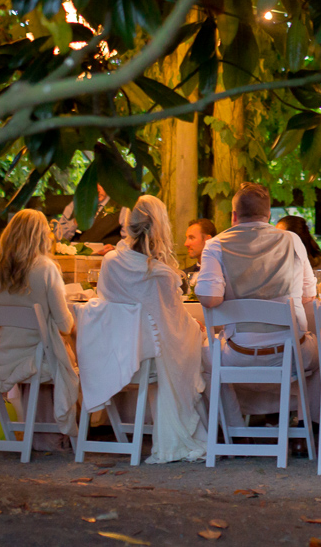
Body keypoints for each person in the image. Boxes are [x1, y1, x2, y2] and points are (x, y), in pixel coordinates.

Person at [96, 196, 207, 462]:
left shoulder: (109, 263)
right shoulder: (161, 274)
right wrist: (197, 328)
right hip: (148, 361)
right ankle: (223, 429)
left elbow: (105, 306)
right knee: (198, 345)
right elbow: (173, 327)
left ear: (129, 226)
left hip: (114, 357)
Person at [196, 183, 317, 425]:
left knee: (201, 358)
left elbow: (210, 299)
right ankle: (305, 430)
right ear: (269, 215)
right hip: (290, 354)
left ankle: (235, 429)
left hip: (239, 354)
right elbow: (308, 297)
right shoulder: (292, 240)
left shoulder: (215, 245)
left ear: (233, 215)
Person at [0, 208, 80, 445]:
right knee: (74, 352)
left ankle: (42, 435)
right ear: (41, 236)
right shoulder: (45, 268)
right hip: (38, 359)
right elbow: (64, 324)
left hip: (3, 357)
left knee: (57, 350)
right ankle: (67, 432)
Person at [53, 184, 122, 246]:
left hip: (105, 258)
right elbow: (57, 239)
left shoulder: (121, 207)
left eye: (101, 184)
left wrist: (114, 249)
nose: (97, 190)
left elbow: (129, 242)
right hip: (74, 256)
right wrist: (75, 223)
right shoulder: (74, 206)